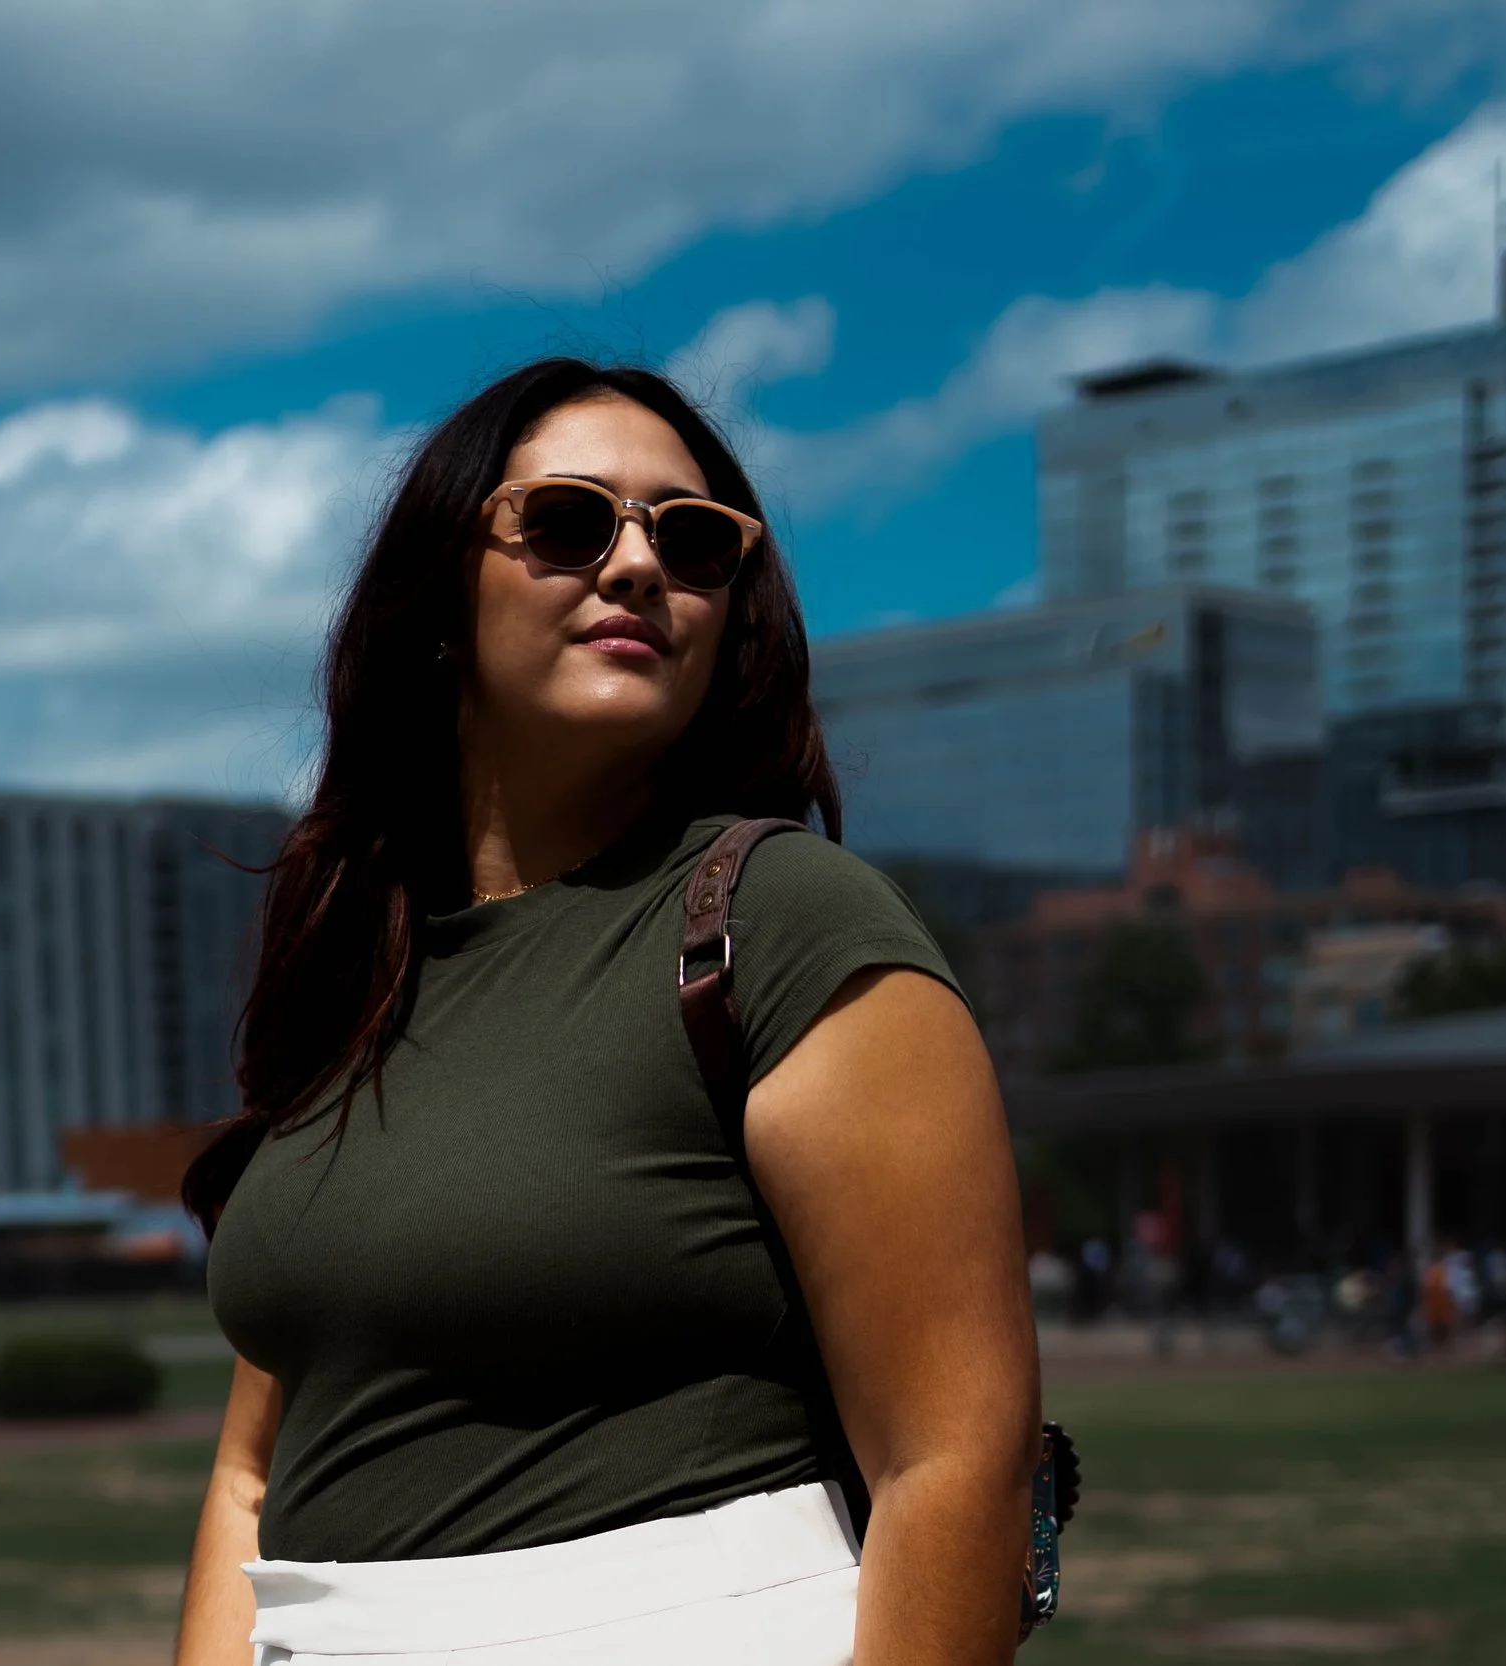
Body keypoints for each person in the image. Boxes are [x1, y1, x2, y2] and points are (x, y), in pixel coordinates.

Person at [173, 361, 1039, 1666]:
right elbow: (252, 1469)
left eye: (693, 541)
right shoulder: (354, 978)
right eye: (572, 521)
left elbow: (954, 1461)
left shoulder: (788, 919)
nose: (637, 565)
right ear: (439, 594)